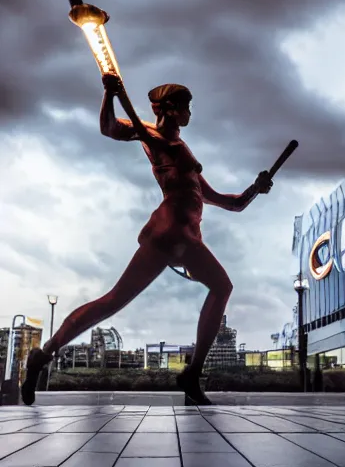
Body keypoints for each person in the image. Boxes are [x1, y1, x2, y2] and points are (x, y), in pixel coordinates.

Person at [22, 74, 273, 406]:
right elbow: (109, 128)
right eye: (186, 106)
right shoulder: (152, 137)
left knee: (114, 300)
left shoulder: (184, 154)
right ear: (170, 109)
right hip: (171, 232)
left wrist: (256, 188)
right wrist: (109, 95)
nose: (190, 113)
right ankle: (191, 374)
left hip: (179, 235)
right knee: (218, 287)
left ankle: (44, 354)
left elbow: (233, 203)